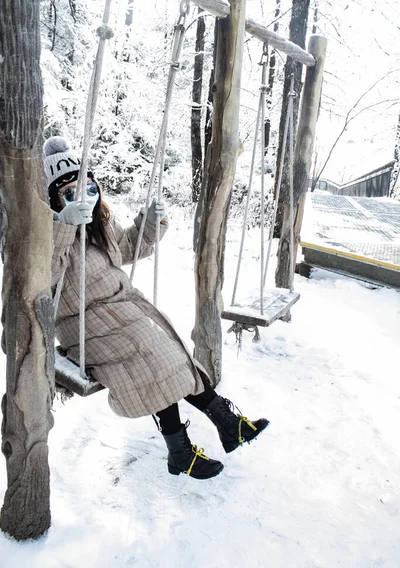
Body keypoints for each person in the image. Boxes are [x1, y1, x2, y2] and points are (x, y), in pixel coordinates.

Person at [45, 136, 269, 480]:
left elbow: (129, 247)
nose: (84, 200)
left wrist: (148, 224)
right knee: (153, 359)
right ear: (53, 200)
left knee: (171, 354)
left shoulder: (99, 225)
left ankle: (226, 424)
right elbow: (44, 275)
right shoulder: (42, 235)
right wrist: (61, 227)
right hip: (84, 325)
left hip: (124, 311)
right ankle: (184, 450)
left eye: (89, 189)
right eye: (70, 194)